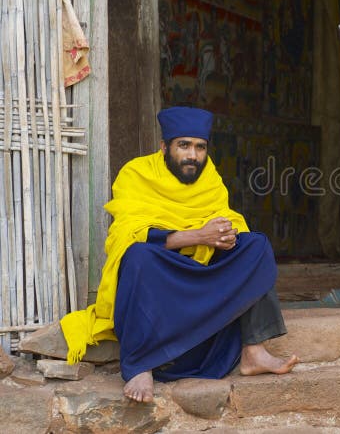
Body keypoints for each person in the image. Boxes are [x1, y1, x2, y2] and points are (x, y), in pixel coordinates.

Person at [60, 107, 298, 402]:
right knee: (137, 257)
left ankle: (253, 351)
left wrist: (225, 233)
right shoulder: (137, 173)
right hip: (162, 272)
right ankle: (140, 364)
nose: (193, 155)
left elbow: (224, 215)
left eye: (200, 147)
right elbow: (129, 231)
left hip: (202, 268)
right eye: (183, 145)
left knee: (256, 245)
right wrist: (198, 235)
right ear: (164, 147)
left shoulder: (208, 175)